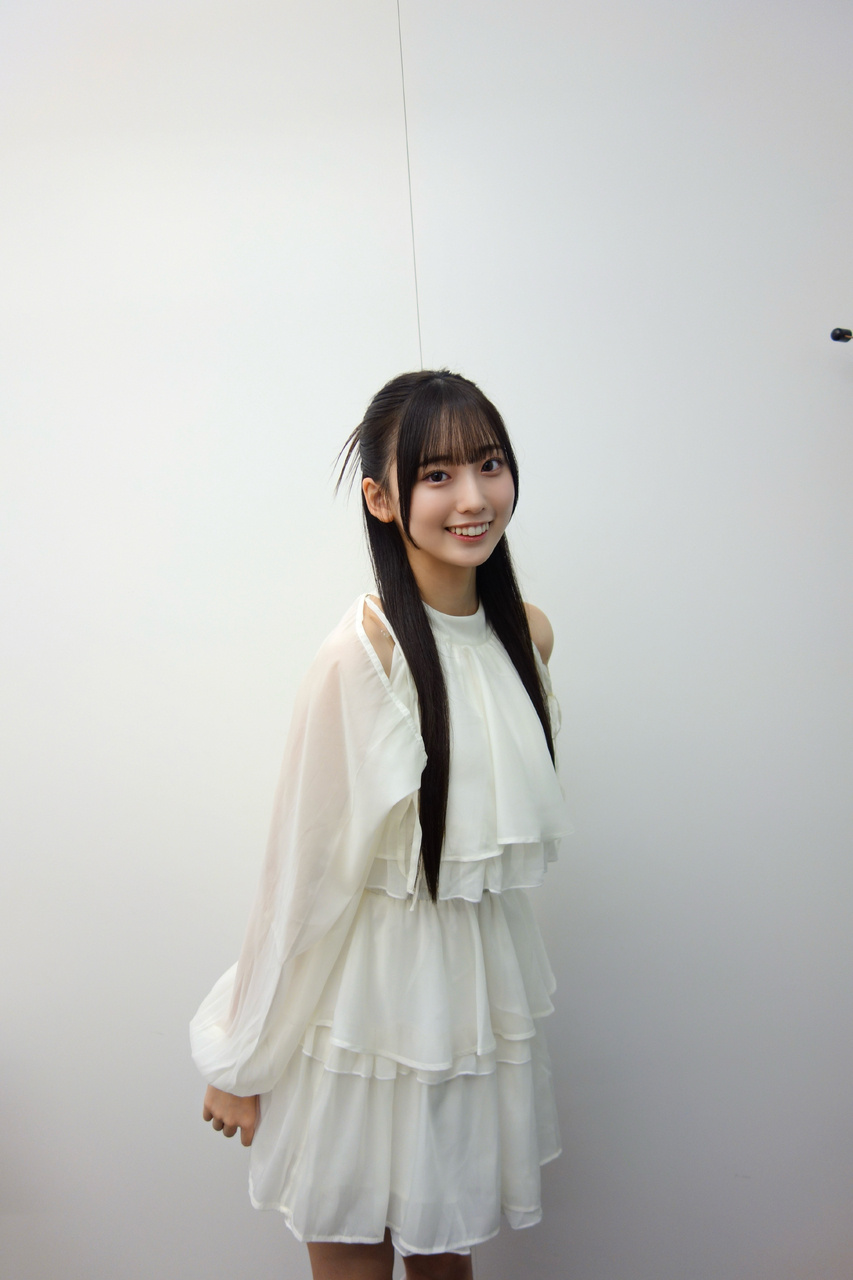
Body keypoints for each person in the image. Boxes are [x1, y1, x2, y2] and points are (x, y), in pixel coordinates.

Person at [190, 370, 567, 1280]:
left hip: (463, 1011)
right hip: (360, 1014)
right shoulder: (361, 657)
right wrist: (240, 1057)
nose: (472, 498)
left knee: (445, 1258)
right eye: (436, 475)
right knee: (353, 1255)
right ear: (381, 498)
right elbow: (301, 872)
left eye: (489, 465)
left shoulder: (528, 636)